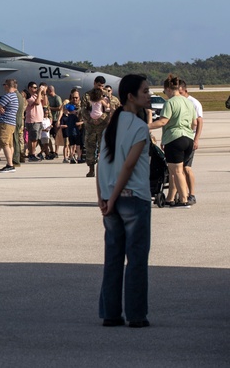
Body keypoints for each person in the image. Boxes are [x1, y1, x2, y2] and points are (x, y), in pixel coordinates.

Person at [96, 74, 152, 328]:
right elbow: (128, 167)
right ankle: (136, 315)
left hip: (109, 198)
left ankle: (111, 313)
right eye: (145, 91)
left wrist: (103, 199)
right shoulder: (140, 128)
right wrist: (116, 196)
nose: (149, 95)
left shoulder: (111, 125)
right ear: (131, 96)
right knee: (137, 259)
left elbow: (101, 164)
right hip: (132, 198)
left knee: (114, 257)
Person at [148, 74, 196, 208]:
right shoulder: (188, 102)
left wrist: (146, 126)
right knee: (176, 170)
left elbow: (163, 121)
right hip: (188, 139)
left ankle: (183, 199)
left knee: (177, 171)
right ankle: (171, 198)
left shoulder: (170, 103)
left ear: (168, 89)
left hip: (175, 138)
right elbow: (194, 123)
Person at [81, 76, 121, 178]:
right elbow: (83, 110)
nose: (100, 88)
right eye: (98, 85)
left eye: (102, 86)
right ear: (94, 83)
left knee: (103, 148)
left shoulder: (107, 96)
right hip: (90, 126)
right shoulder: (87, 95)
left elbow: (111, 109)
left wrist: (100, 119)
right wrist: (91, 120)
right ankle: (91, 169)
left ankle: (103, 170)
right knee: (90, 148)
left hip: (103, 125)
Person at [177, 80, 203, 205]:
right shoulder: (177, 102)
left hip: (190, 138)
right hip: (178, 138)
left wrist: (196, 139)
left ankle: (192, 194)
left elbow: (199, 122)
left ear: (184, 89)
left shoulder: (194, 103)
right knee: (178, 169)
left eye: (179, 91)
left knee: (187, 168)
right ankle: (182, 193)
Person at [0, 79, 19, 173]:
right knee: (9, 144)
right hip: (11, 122)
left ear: (8, 86)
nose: (3, 86)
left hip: (5, 122)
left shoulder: (7, 96)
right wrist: (1, 108)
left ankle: (9, 165)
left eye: (4, 85)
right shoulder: (15, 96)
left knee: (4, 143)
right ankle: (10, 163)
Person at [24, 82, 46, 162]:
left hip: (39, 120)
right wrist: (39, 92)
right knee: (32, 139)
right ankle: (31, 154)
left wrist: (44, 93)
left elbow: (45, 104)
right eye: (34, 87)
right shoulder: (28, 96)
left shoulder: (37, 96)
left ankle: (32, 153)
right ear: (29, 88)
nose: (36, 89)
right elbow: (36, 103)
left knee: (35, 139)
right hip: (32, 120)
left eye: (36, 87)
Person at [46, 85, 64, 159]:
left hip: (55, 118)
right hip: (50, 119)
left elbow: (60, 108)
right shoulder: (48, 98)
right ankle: (51, 150)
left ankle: (56, 151)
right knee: (48, 135)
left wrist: (50, 108)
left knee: (56, 136)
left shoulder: (57, 98)